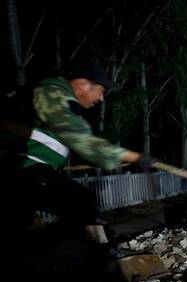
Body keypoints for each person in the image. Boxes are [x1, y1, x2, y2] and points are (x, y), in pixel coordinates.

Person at [13, 57, 153, 245]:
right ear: (83, 84)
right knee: (80, 200)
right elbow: (83, 141)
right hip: (19, 166)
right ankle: (101, 254)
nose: (101, 98)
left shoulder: (55, 97)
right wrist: (136, 157)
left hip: (27, 168)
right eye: (101, 91)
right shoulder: (53, 95)